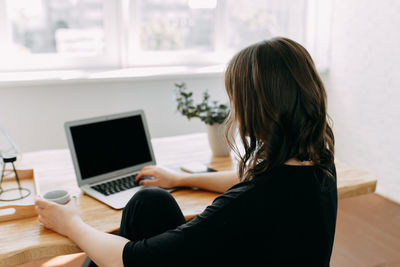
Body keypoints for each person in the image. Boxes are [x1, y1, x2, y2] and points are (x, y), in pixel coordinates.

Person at [35, 37, 337, 267]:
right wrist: (179, 178)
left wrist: (71, 223)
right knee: (149, 200)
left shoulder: (248, 203)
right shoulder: (319, 164)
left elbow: (133, 259)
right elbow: (251, 183)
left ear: (256, 107)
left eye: (236, 98)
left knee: (122, 249)